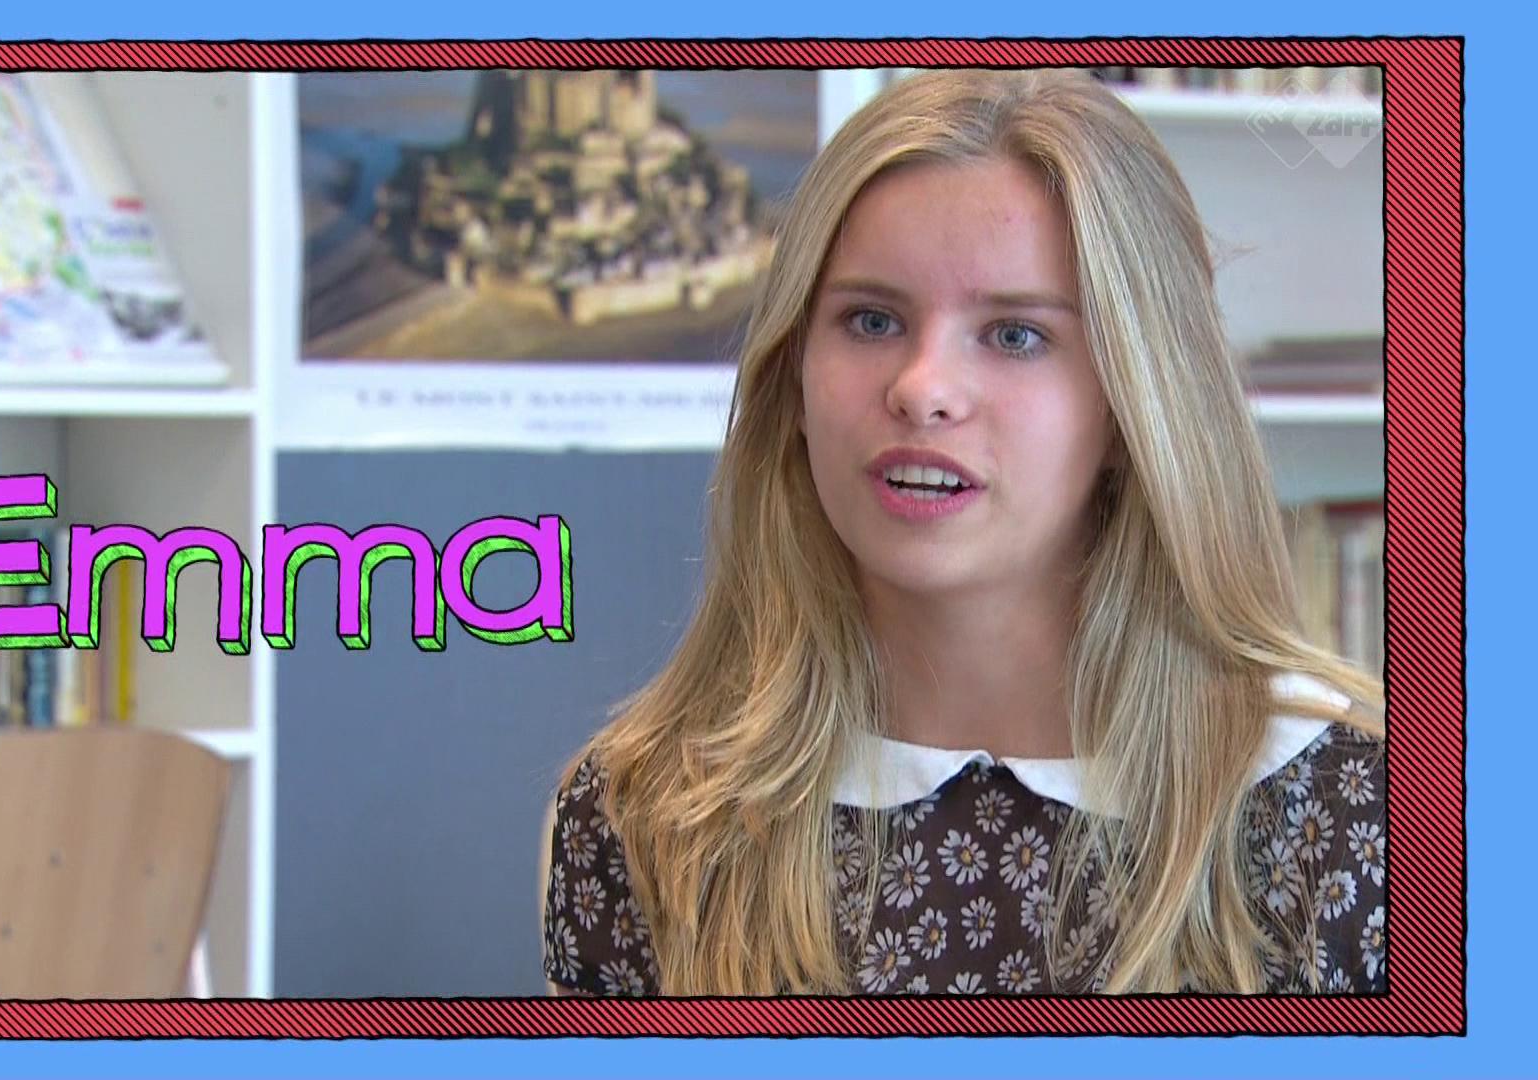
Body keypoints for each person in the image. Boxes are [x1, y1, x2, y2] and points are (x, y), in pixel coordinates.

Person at [541, 68, 1386, 997]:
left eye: (1015, 335)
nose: (922, 388)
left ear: (1134, 405)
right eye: (871, 320)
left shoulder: (1350, 809)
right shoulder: (648, 814)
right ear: (793, 382)